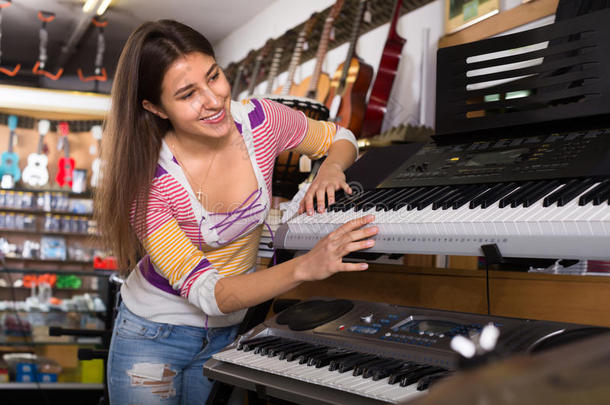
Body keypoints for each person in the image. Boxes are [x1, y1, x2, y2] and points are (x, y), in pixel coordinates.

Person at [95, 19, 378, 404]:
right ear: (154, 107)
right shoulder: (147, 183)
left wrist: (329, 168)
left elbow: (341, 137)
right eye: (187, 94)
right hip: (153, 335)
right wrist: (306, 266)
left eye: (214, 76)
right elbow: (210, 293)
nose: (213, 100)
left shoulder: (260, 122)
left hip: (230, 331)